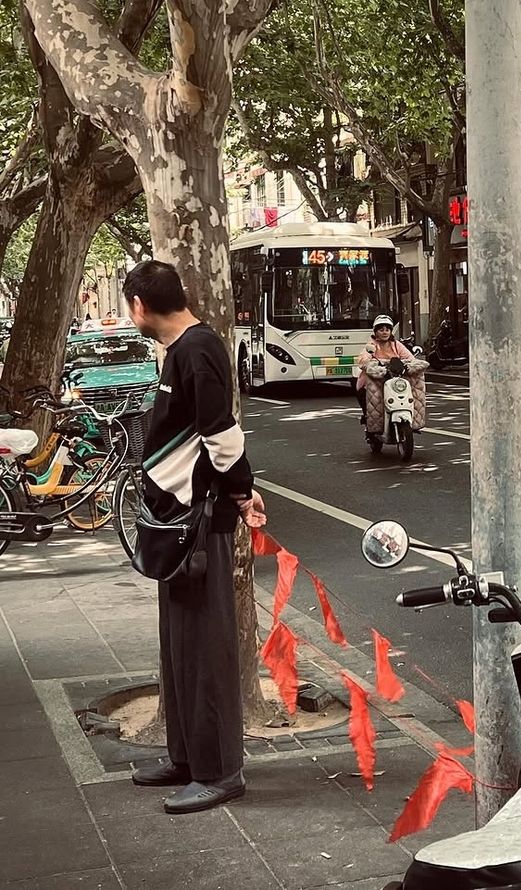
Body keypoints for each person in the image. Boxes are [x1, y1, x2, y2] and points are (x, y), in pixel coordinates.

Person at [123, 260, 266, 815]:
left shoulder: (198, 348)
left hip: (200, 524)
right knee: (180, 645)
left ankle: (220, 771)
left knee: (206, 649)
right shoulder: (180, 350)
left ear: (139, 305)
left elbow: (221, 434)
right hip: (175, 525)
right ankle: (186, 758)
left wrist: (242, 494)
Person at [355, 315, 414, 424]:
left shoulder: (396, 345)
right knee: (361, 390)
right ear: (376, 332)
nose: (385, 332)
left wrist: (410, 363)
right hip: (378, 377)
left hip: (396, 377)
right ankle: (368, 415)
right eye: (381, 330)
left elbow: (409, 357)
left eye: (387, 330)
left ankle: (415, 419)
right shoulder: (372, 345)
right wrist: (369, 363)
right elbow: (363, 359)